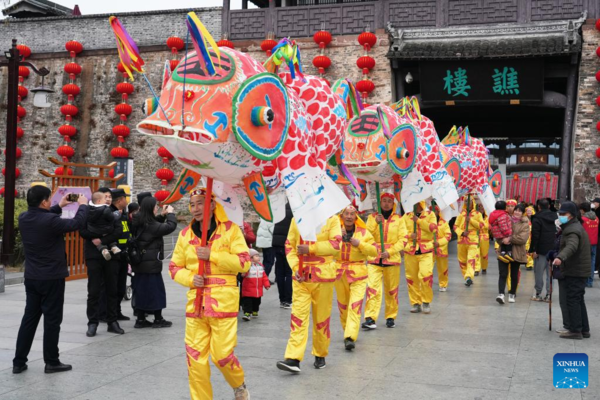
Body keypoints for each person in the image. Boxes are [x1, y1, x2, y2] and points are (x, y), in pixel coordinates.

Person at [169, 188, 251, 400]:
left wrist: (212, 255)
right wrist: (189, 279)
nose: (196, 209)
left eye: (201, 204)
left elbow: (244, 263)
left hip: (223, 303)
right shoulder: (185, 235)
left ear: (212, 205)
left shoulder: (231, 230)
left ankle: (238, 383)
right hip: (195, 305)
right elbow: (174, 267)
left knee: (222, 356)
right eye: (193, 204)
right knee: (195, 361)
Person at [13, 187, 88, 375]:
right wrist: (83, 206)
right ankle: (51, 361)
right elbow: (76, 224)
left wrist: (59, 205)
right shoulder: (50, 220)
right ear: (45, 202)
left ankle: (19, 362)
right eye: (49, 201)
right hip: (51, 277)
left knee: (29, 319)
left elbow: (44, 219)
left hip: (32, 277)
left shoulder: (24, 218)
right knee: (52, 320)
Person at [276, 215, 341, 372]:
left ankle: (320, 353)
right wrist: (294, 267)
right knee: (298, 317)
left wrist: (311, 249)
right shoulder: (297, 218)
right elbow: (289, 246)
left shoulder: (332, 219)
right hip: (301, 277)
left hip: (323, 277)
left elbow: (336, 245)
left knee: (321, 319)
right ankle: (293, 358)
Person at [80, 188, 125, 337]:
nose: (108, 199)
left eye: (110, 197)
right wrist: (101, 234)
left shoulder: (113, 214)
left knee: (112, 288)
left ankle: (112, 321)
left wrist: (102, 239)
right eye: (106, 197)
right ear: (98, 199)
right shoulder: (89, 211)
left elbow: (118, 231)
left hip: (111, 255)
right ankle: (92, 323)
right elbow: (83, 231)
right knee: (93, 291)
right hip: (93, 255)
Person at [335, 206, 377, 350]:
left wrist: (359, 244)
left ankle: (350, 336)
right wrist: (337, 239)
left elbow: (374, 251)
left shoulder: (364, 233)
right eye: (346, 213)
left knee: (355, 305)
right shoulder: (334, 231)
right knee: (343, 306)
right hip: (339, 274)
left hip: (359, 274)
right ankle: (347, 330)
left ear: (356, 216)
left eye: (352, 214)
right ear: (342, 216)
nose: (349, 216)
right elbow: (325, 248)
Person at [131, 197, 177, 328]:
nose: (157, 208)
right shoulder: (150, 225)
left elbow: (153, 223)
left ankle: (140, 319)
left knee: (141, 291)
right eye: (155, 206)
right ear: (151, 208)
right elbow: (170, 227)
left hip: (139, 263)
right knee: (156, 291)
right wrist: (171, 214)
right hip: (150, 264)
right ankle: (158, 319)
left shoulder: (138, 221)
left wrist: (162, 216)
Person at [363, 193, 405, 330]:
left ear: (393, 204)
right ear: (380, 203)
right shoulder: (372, 218)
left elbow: (403, 239)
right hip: (374, 258)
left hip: (391, 259)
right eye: (384, 201)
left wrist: (390, 252)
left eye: (389, 201)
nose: (386, 204)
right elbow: (365, 235)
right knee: (372, 288)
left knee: (391, 290)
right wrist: (376, 224)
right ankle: (370, 317)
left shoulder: (399, 219)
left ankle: (390, 316)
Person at [553, 201, 591, 340]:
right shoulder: (575, 226)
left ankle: (575, 330)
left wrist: (560, 257)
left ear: (572, 215)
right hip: (579, 269)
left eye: (564, 214)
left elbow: (572, 246)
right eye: (560, 213)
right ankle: (584, 329)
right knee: (579, 299)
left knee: (573, 300)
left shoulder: (572, 229)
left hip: (575, 270)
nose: (561, 216)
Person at [401, 201, 437, 312]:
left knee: (425, 275)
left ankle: (426, 301)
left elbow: (433, 228)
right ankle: (415, 302)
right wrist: (409, 236)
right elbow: (399, 232)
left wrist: (419, 221)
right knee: (412, 278)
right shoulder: (406, 216)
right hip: (410, 251)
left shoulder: (430, 214)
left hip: (425, 250)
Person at [496, 204, 530, 305]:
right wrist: (502, 240)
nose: (517, 212)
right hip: (504, 250)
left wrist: (510, 239)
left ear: (522, 213)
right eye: (516, 210)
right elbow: (498, 232)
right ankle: (501, 294)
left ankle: (512, 293)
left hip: (517, 252)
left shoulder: (525, 223)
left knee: (514, 275)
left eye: (520, 211)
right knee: (503, 274)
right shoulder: (506, 220)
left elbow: (523, 238)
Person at [529, 199, 558, 301]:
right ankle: (549, 295)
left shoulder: (537, 218)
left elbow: (535, 235)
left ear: (539, 207)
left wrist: (533, 249)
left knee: (538, 272)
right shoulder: (555, 217)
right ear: (549, 206)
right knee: (550, 273)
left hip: (540, 249)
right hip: (553, 249)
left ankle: (538, 293)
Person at [454, 197, 484, 286]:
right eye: (466, 201)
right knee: (462, 261)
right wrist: (462, 233)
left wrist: (470, 220)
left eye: (469, 201)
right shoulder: (461, 214)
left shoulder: (478, 214)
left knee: (471, 259)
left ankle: (469, 276)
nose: (467, 202)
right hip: (461, 240)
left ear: (473, 202)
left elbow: (481, 225)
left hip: (473, 240)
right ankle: (466, 277)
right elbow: (455, 226)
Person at [86, 191, 120, 260]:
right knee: (108, 233)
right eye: (105, 198)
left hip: (93, 231)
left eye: (110, 197)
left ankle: (103, 250)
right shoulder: (106, 209)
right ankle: (113, 247)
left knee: (98, 240)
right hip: (105, 229)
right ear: (99, 201)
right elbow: (112, 218)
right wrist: (117, 214)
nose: (107, 200)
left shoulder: (89, 209)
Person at [273, 203, 293, 308]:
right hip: (288, 244)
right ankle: (288, 300)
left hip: (277, 243)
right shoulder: (295, 211)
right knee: (289, 272)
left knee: (280, 273)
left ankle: (282, 299)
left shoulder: (280, 209)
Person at [240, 248, 270, 321]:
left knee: (257, 302)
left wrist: (266, 284)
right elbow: (243, 273)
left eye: (258, 256)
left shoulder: (260, 266)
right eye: (256, 256)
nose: (258, 257)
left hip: (257, 290)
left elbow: (264, 276)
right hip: (248, 289)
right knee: (248, 302)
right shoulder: (248, 266)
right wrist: (243, 273)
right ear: (251, 258)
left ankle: (255, 310)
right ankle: (247, 313)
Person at [433, 202, 452, 290]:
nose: (433, 213)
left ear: (438, 212)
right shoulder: (426, 223)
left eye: (435, 211)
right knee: (427, 268)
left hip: (441, 249)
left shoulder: (444, 223)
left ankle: (443, 284)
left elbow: (448, 236)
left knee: (442, 269)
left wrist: (439, 243)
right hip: (429, 249)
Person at [579, 202, 598, 288]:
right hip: (594, 243)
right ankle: (590, 281)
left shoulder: (582, 219)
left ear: (582, 210)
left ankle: (584, 280)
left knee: (584, 263)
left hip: (585, 244)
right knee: (592, 262)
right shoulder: (596, 218)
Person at [476, 204, 490, 276]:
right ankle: (476, 269)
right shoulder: (475, 217)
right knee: (476, 253)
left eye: (482, 207)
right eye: (479, 207)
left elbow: (487, 226)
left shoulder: (487, 218)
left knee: (484, 254)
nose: (481, 208)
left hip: (484, 237)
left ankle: (484, 267)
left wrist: (480, 223)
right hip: (476, 237)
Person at [525, 205, 536, 271]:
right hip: (527, 236)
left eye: (530, 211)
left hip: (533, 236)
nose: (529, 212)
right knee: (527, 250)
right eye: (527, 211)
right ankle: (529, 264)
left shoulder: (535, 218)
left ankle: (531, 263)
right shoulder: (524, 219)